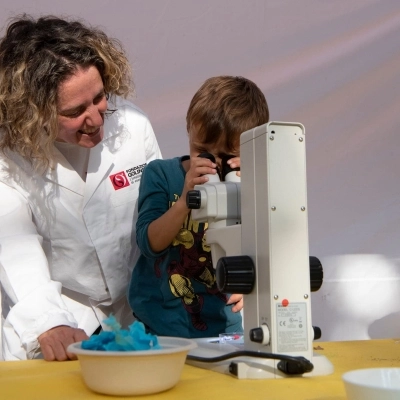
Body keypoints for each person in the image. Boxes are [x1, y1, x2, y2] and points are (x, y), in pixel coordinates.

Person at [0, 15, 162, 361]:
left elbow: (164, 214)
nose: (97, 118)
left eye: (100, 97)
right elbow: (14, 245)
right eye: (75, 111)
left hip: (138, 308)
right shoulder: (8, 158)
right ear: (32, 114)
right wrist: (48, 321)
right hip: (62, 312)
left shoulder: (133, 125)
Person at [128, 76, 269, 337]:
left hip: (222, 323)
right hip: (159, 324)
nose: (213, 164)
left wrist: (257, 285)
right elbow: (149, 244)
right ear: (189, 130)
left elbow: (268, 247)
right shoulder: (161, 174)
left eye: (227, 157)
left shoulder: (258, 185)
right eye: (202, 151)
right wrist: (184, 200)